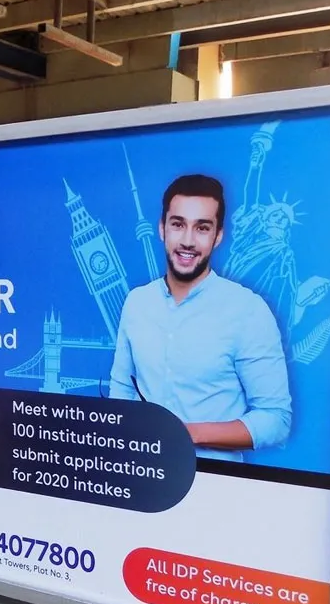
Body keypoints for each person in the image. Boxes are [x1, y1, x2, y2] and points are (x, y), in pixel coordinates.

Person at [108, 174, 292, 462]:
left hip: (215, 490)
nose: (188, 241)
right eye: (178, 225)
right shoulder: (136, 302)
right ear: (162, 229)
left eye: (202, 228)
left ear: (218, 236)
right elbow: (122, 391)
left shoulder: (248, 311)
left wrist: (186, 433)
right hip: (141, 480)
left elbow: (276, 420)